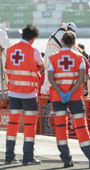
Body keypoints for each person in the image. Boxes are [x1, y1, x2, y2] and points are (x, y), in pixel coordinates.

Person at [48, 31, 90, 168]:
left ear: (62, 41)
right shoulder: (79, 57)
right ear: (73, 43)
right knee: (81, 127)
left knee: (60, 128)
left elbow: (51, 79)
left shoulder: (53, 58)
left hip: (58, 98)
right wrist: (70, 92)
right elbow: (81, 78)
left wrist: (61, 92)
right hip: (75, 97)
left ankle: (66, 160)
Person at [5, 23, 44, 165]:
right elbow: (41, 66)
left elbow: (8, 67)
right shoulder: (34, 51)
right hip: (29, 96)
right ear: (33, 38)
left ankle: (9, 156)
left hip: (13, 94)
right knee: (29, 127)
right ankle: (27, 157)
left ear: (22, 35)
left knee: (12, 125)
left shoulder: (9, 50)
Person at [41, 22, 77, 97]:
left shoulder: (55, 33)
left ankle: (43, 104)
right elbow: (73, 50)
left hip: (47, 60)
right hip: (55, 61)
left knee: (47, 83)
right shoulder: (65, 35)